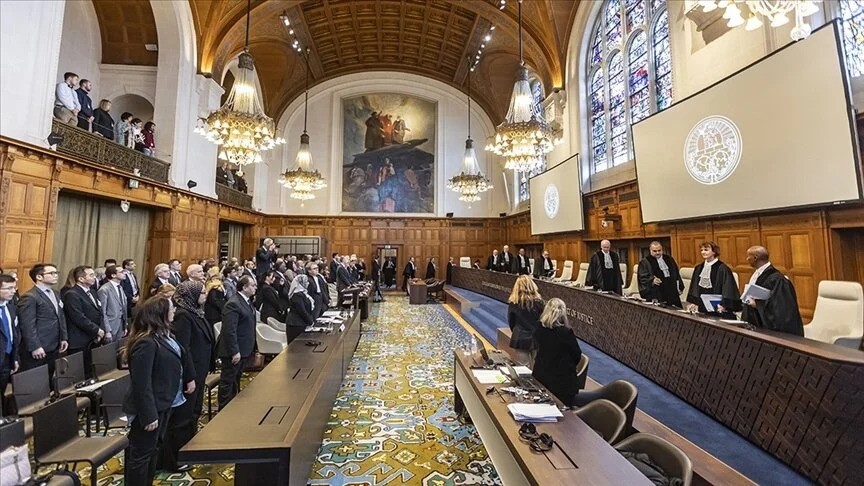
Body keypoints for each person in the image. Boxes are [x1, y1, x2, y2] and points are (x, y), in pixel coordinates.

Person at [122, 296, 195, 486]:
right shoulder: (146, 343)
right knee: (141, 455)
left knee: (153, 450)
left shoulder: (165, 336)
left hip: (165, 401)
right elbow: (141, 383)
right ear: (159, 313)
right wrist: (148, 415)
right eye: (171, 308)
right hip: (150, 407)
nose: (174, 310)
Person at [161, 281, 214, 472]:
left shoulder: (197, 312)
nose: (205, 295)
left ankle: (191, 448)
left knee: (194, 412)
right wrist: (189, 376)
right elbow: (184, 349)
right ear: (191, 295)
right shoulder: (183, 315)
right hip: (190, 373)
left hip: (200, 370)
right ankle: (176, 458)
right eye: (202, 292)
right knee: (183, 417)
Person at [532, 298, 583, 408]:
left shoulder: (539, 328)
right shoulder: (566, 332)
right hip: (561, 382)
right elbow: (577, 355)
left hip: (541, 376)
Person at [18, 263, 68, 375]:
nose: (56, 275)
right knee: (35, 379)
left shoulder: (55, 293)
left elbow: (60, 316)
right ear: (39, 277)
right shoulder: (30, 297)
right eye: (52, 273)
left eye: (56, 273)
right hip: (39, 347)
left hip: (54, 345)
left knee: (49, 377)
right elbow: (27, 325)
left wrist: (63, 337)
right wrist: (35, 346)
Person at [742, 246, 804, 336]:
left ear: (755, 258)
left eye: (748, 256)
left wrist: (758, 304)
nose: (747, 259)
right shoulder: (757, 274)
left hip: (773, 332)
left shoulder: (778, 279)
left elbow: (781, 309)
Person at [217, 275, 257, 409]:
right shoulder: (233, 303)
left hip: (244, 348)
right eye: (253, 285)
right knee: (228, 381)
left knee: (236, 380)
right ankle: (224, 409)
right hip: (234, 351)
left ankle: (233, 408)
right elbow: (229, 330)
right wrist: (235, 351)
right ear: (244, 287)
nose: (255, 288)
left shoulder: (246, 301)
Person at [63, 266, 105, 378]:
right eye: (91, 275)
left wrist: (99, 331)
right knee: (77, 373)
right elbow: (78, 317)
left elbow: (99, 312)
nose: (94, 277)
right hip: (79, 340)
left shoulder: (93, 292)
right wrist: (96, 330)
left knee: (89, 371)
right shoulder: (72, 294)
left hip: (92, 339)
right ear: (81, 279)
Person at [686, 241, 741, 319]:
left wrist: (724, 305)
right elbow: (695, 287)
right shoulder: (698, 268)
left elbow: (728, 289)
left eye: (706, 250)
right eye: (701, 250)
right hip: (702, 307)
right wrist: (694, 302)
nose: (703, 252)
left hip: (719, 307)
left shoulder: (723, 268)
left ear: (714, 251)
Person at [507, 275, 544, 366]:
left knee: (523, 369)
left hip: (520, 337)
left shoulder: (514, 303)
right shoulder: (539, 302)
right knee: (537, 367)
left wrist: (516, 330)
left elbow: (511, 322)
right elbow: (543, 320)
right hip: (536, 337)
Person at [637, 242, 684, 307]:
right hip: (657, 292)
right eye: (655, 251)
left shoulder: (669, 259)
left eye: (659, 250)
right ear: (650, 250)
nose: (657, 253)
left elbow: (676, 273)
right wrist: (652, 280)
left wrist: (680, 286)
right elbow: (643, 277)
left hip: (671, 290)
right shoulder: (645, 262)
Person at [0, 274, 21, 394]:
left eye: (14, 287)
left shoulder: (11, 308)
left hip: (7, 359)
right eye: (9, 288)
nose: (13, 291)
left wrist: (15, 359)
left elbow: (14, 334)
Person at [97, 265, 128, 343]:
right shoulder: (104, 289)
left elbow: (123, 307)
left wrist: (125, 326)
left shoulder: (120, 287)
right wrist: (107, 330)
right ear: (113, 275)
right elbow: (102, 312)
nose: (124, 273)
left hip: (120, 325)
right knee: (108, 349)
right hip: (110, 326)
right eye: (122, 272)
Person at [286, 274, 315, 344]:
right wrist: (310, 321)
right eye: (306, 282)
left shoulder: (303, 293)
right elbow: (302, 311)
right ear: (301, 283)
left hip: (302, 323)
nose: (308, 283)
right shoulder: (297, 295)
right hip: (296, 324)